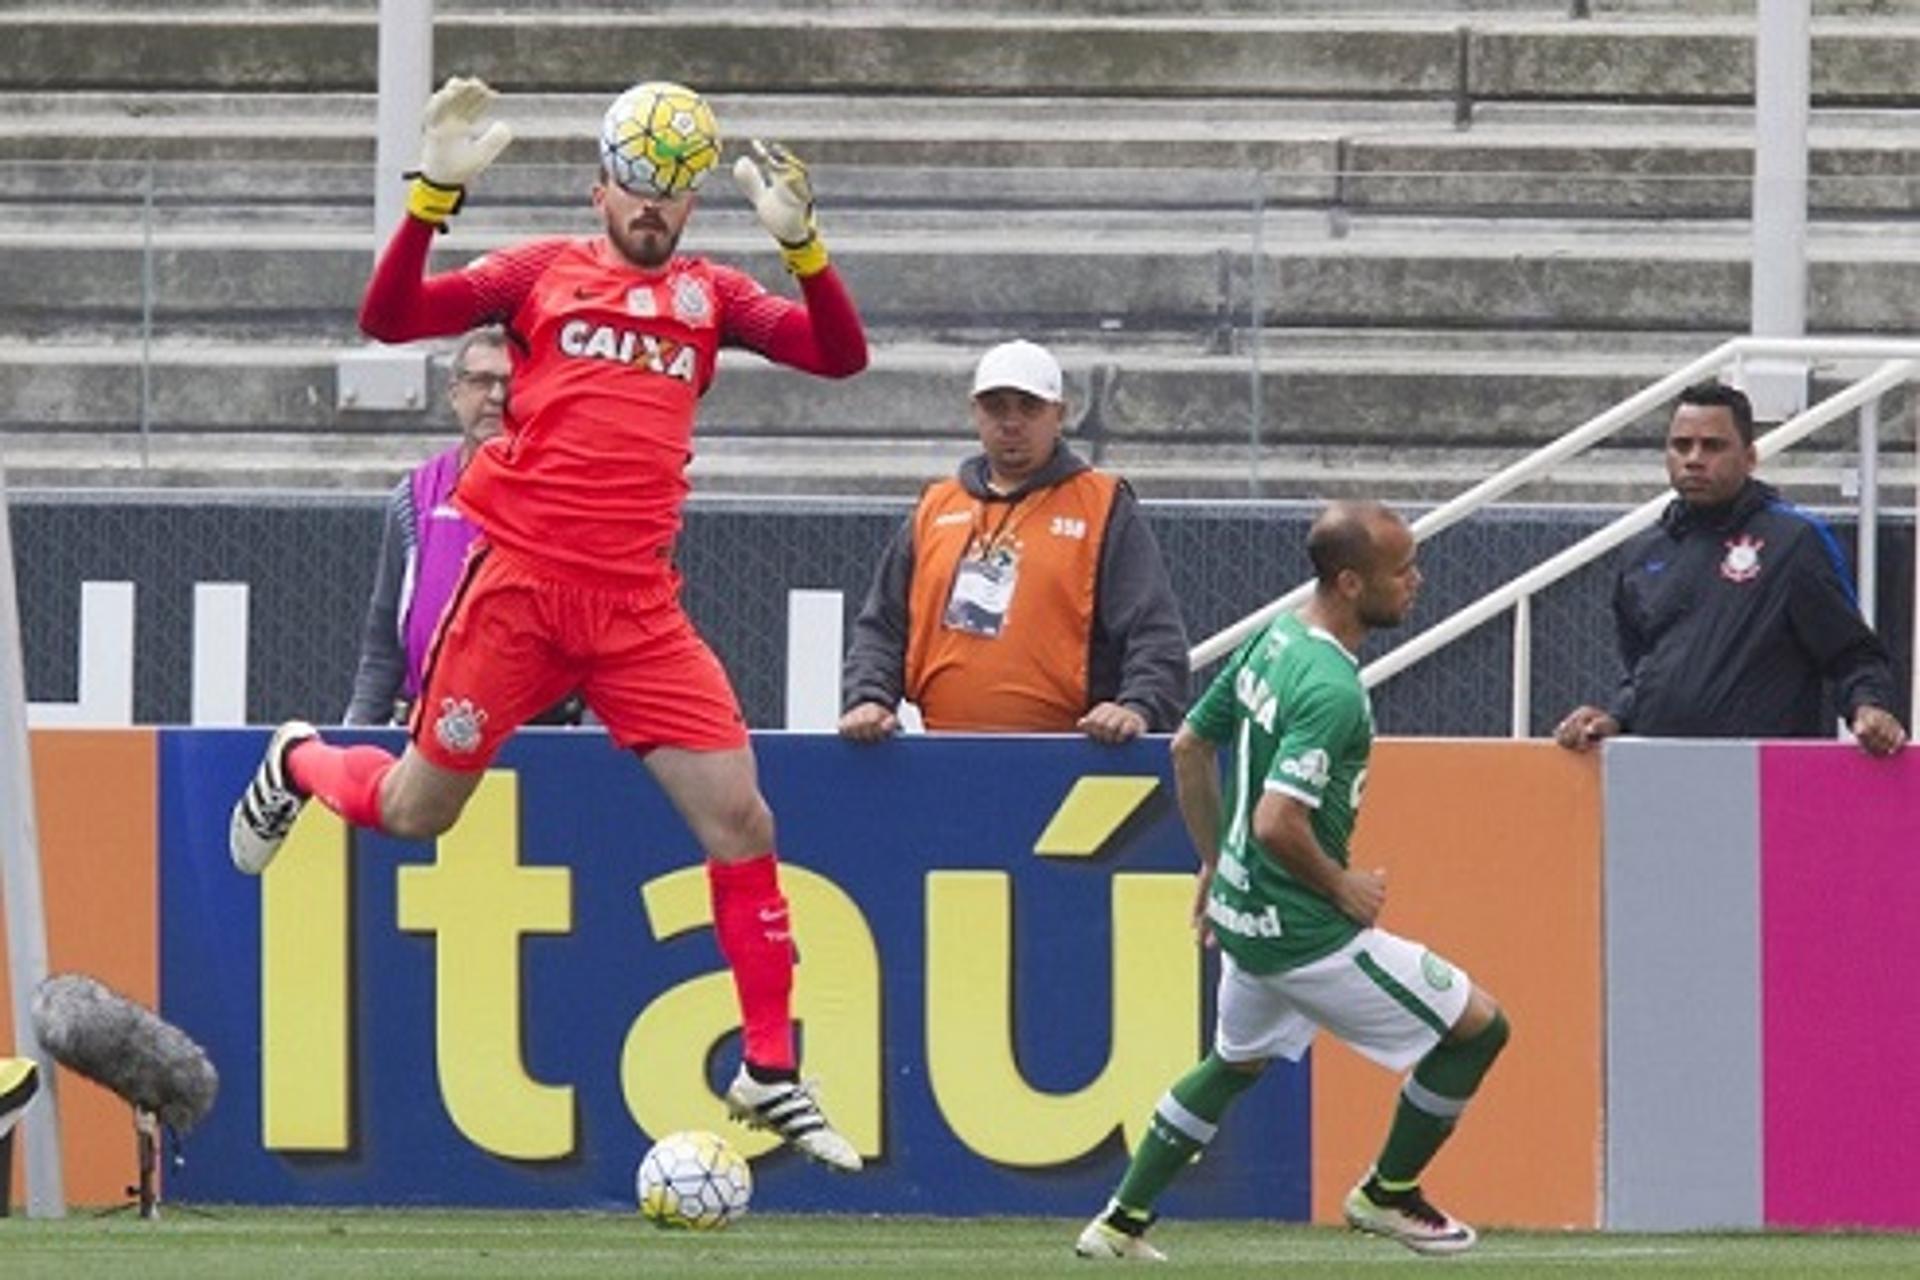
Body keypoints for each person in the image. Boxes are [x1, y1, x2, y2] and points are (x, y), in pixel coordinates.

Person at [227, 77, 868, 1170]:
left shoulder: (710, 296)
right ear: (601, 188)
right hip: (519, 590)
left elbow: (838, 356)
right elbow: (388, 319)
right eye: (635, 191)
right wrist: (433, 194)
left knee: (743, 821)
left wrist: (806, 250)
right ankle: (300, 757)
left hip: (636, 607)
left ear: (692, 207)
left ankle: (767, 1064)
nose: (650, 212)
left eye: (671, 196)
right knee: (418, 810)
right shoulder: (540, 272)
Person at [1076, 501, 1509, 1261]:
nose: (1417, 581)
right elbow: (1279, 821)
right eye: (1400, 570)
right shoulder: (1331, 689)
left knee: (1232, 1063)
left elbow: (1188, 745)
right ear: (1349, 582)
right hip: (1306, 932)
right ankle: (1388, 1193)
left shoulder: (1274, 637)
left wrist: (1214, 860)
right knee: (1480, 1028)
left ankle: (1119, 1223)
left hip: (1247, 917)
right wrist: (1340, 885)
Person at [838, 339, 1189, 744]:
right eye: (996, 407)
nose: (1011, 422)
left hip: (1074, 757)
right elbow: (883, 626)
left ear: (1059, 415)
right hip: (943, 753)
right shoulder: (936, 505)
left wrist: (1138, 707)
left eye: (1028, 406)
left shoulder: (1103, 504)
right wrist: (869, 697)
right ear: (975, 413)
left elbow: (1154, 629)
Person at [1555, 380, 1906, 757]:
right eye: (1681, 445)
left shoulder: (1793, 542)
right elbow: (1644, 670)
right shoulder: (1643, 552)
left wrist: (1869, 706)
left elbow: (1852, 654)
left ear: (1750, 457)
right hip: (1655, 771)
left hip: (1760, 779)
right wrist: (1614, 717)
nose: (1694, 458)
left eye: (1713, 446)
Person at [343, 326, 581, 728]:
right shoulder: (415, 495)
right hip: (424, 734)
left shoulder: (571, 500)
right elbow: (384, 643)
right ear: (454, 393)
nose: (496, 396)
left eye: (511, 382)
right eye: (480, 381)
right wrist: (355, 732)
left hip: (537, 738)